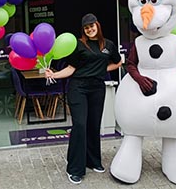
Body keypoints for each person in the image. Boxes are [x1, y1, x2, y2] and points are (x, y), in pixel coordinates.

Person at [45, 13, 122, 184]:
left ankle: (93, 161)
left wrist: (102, 70)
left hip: (97, 88)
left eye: (92, 26)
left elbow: (118, 62)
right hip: (78, 88)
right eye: (86, 28)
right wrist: (55, 75)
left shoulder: (108, 44)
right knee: (80, 125)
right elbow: (71, 68)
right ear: (83, 30)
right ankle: (74, 169)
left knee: (94, 125)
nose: (90, 29)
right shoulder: (79, 45)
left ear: (97, 25)